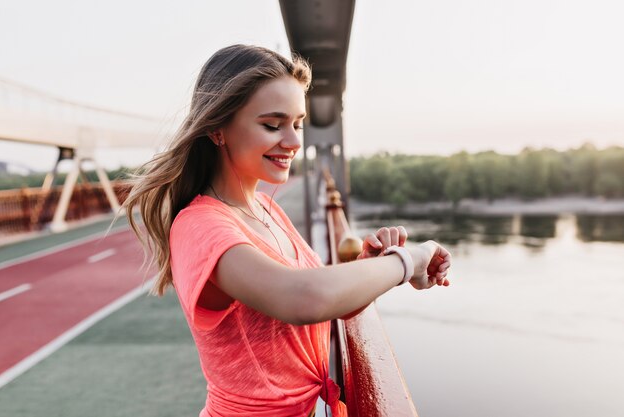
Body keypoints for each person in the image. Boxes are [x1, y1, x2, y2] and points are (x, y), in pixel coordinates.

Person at [123, 45, 451, 417]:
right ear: (217, 129)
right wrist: (411, 259)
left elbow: (325, 304)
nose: (295, 142)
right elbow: (304, 300)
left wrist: (369, 266)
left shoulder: (266, 208)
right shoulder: (199, 226)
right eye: (272, 125)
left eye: (297, 123)